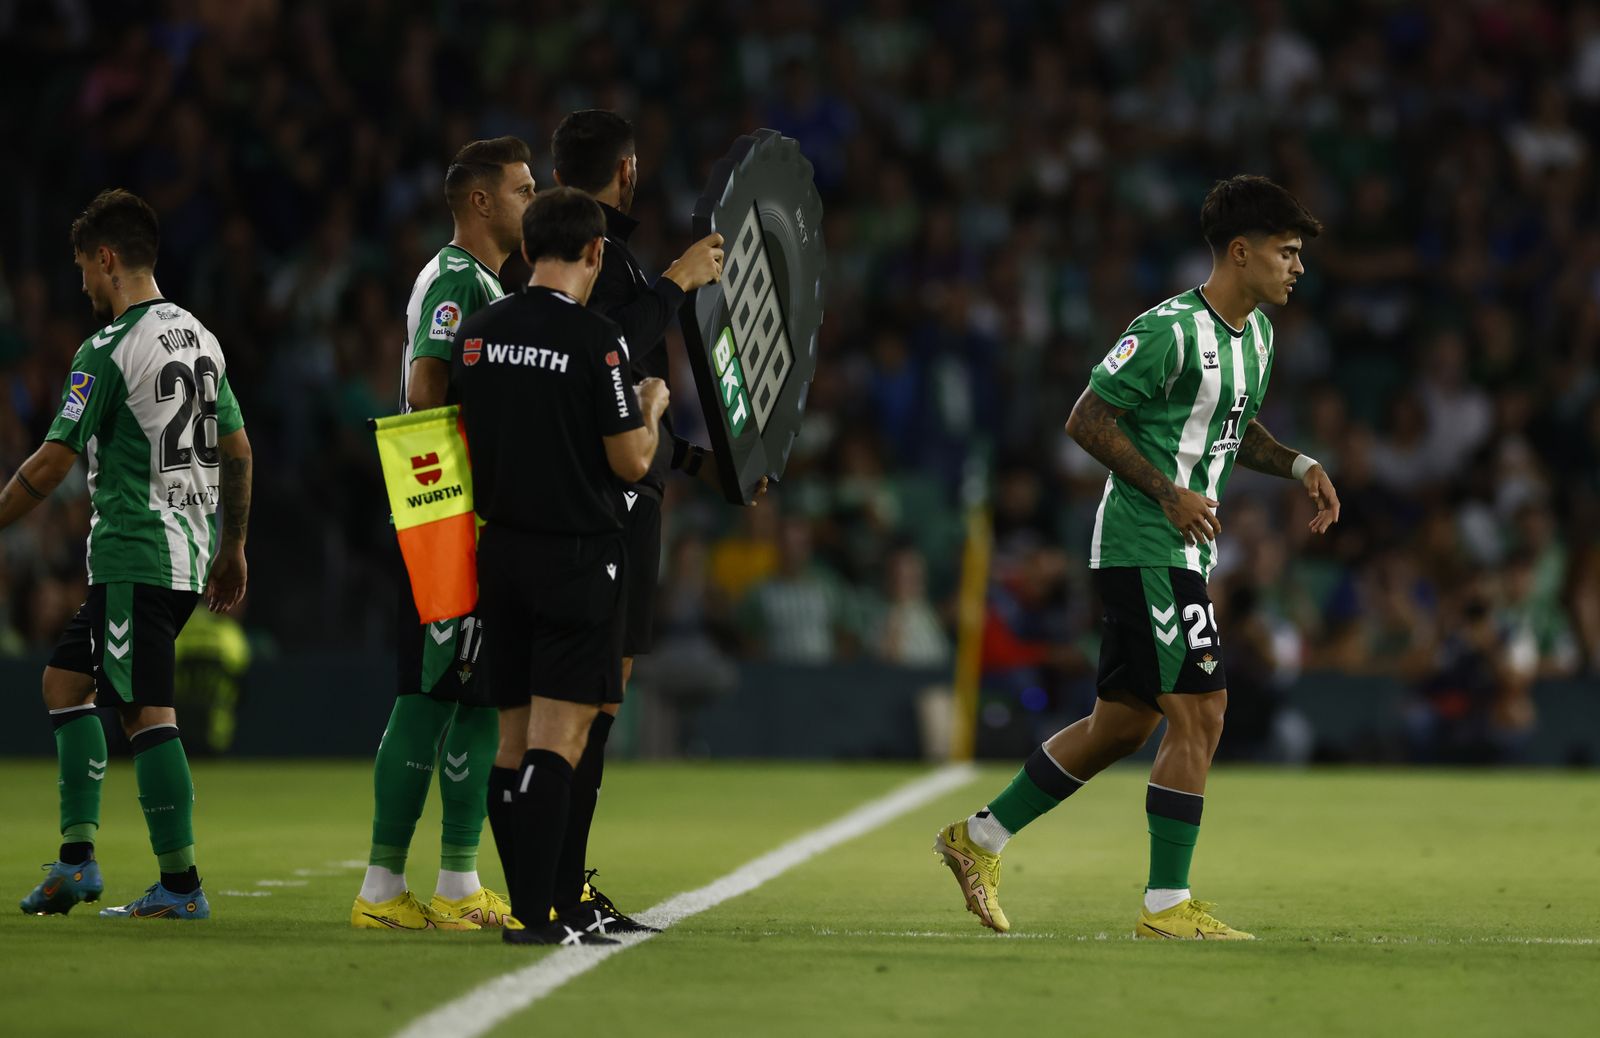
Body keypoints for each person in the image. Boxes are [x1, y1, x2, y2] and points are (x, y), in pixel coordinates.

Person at [934, 175, 1338, 940]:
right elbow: (1087, 419)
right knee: (1205, 712)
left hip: (1182, 549)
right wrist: (1166, 493)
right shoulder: (1168, 330)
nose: (1298, 267)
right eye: (1286, 252)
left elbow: (1232, 429)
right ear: (1241, 252)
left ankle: (976, 838)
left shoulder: (1258, 336)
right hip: (1146, 543)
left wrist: (1297, 464)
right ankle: (1166, 904)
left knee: (1121, 726)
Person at [8, 188, 252, 920]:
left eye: (85, 265)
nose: (83, 282)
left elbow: (53, 461)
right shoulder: (200, 338)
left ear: (107, 259)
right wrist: (233, 545)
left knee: (145, 712)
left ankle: (180, 885)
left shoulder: (108, 349)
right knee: (63, 683)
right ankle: (77, 862)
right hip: (184, 551)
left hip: (135, 553)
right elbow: (239, 450)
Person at [520, 108, 729, 929]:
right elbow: (599, 356)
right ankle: (559, 892)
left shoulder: (602, 258)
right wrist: (674, 284)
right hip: (608, 509)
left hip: (615, 494)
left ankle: (560, 888)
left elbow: (629, 401)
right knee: (587, 706)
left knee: (591, 704)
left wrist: (700, 464)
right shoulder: (598, 259)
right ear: (628, 171)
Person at [454, 186, 668, 945]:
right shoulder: (597, 340)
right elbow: (631, 459)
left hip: (499, 554)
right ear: (595, 252)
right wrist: (651, 404)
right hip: (575, 558)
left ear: (526, 248)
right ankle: (539, 918)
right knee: (559, 742)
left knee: (511, 744)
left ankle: (529, 910)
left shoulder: (477, 333)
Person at [351, 137, 534, 931]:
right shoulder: (457, 278)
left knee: (476, 699)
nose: (534, 203)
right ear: (481, 202)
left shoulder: (486, 283)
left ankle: (459, 883)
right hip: (446, 513)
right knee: (428, 696)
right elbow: (427, 385)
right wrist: (472, 491)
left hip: (467, 515)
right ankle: (380, 887)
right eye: (524, 190)